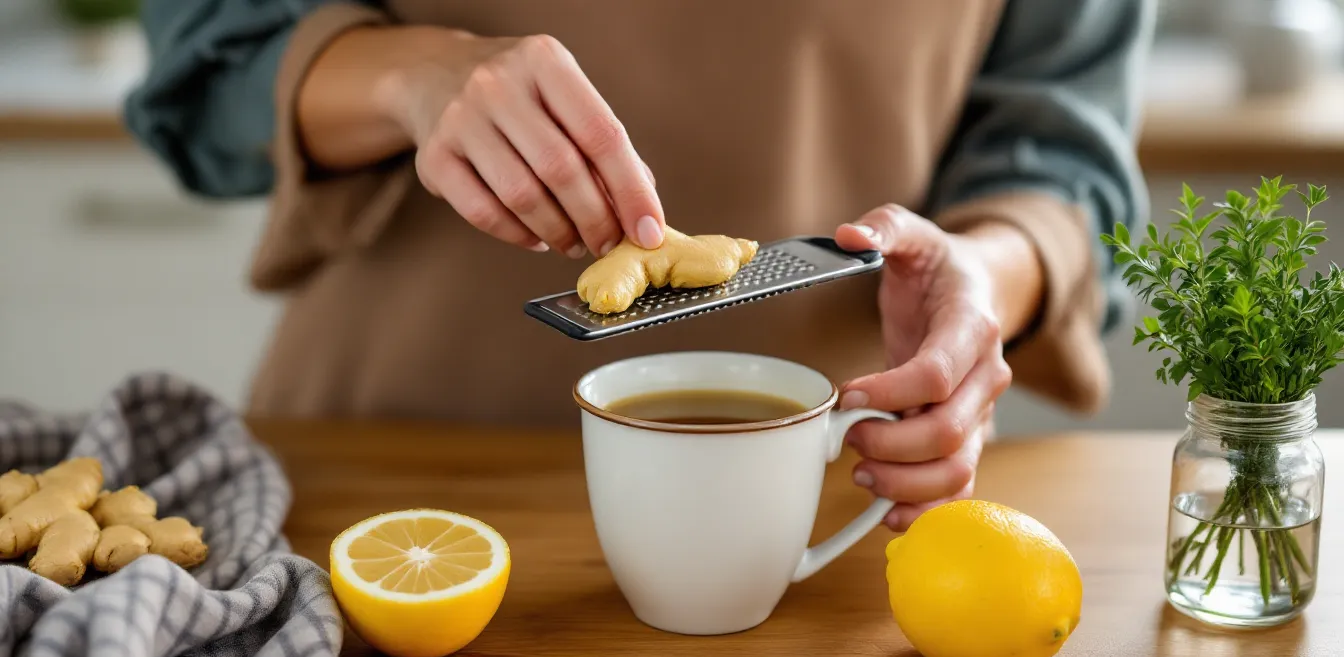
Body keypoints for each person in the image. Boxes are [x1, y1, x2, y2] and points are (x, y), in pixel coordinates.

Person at [125, 0, 1153, 529]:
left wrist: (984, 273)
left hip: (833, 497)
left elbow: (1060, 148)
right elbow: (207, 57)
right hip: (391, 482)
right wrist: (410, 73)